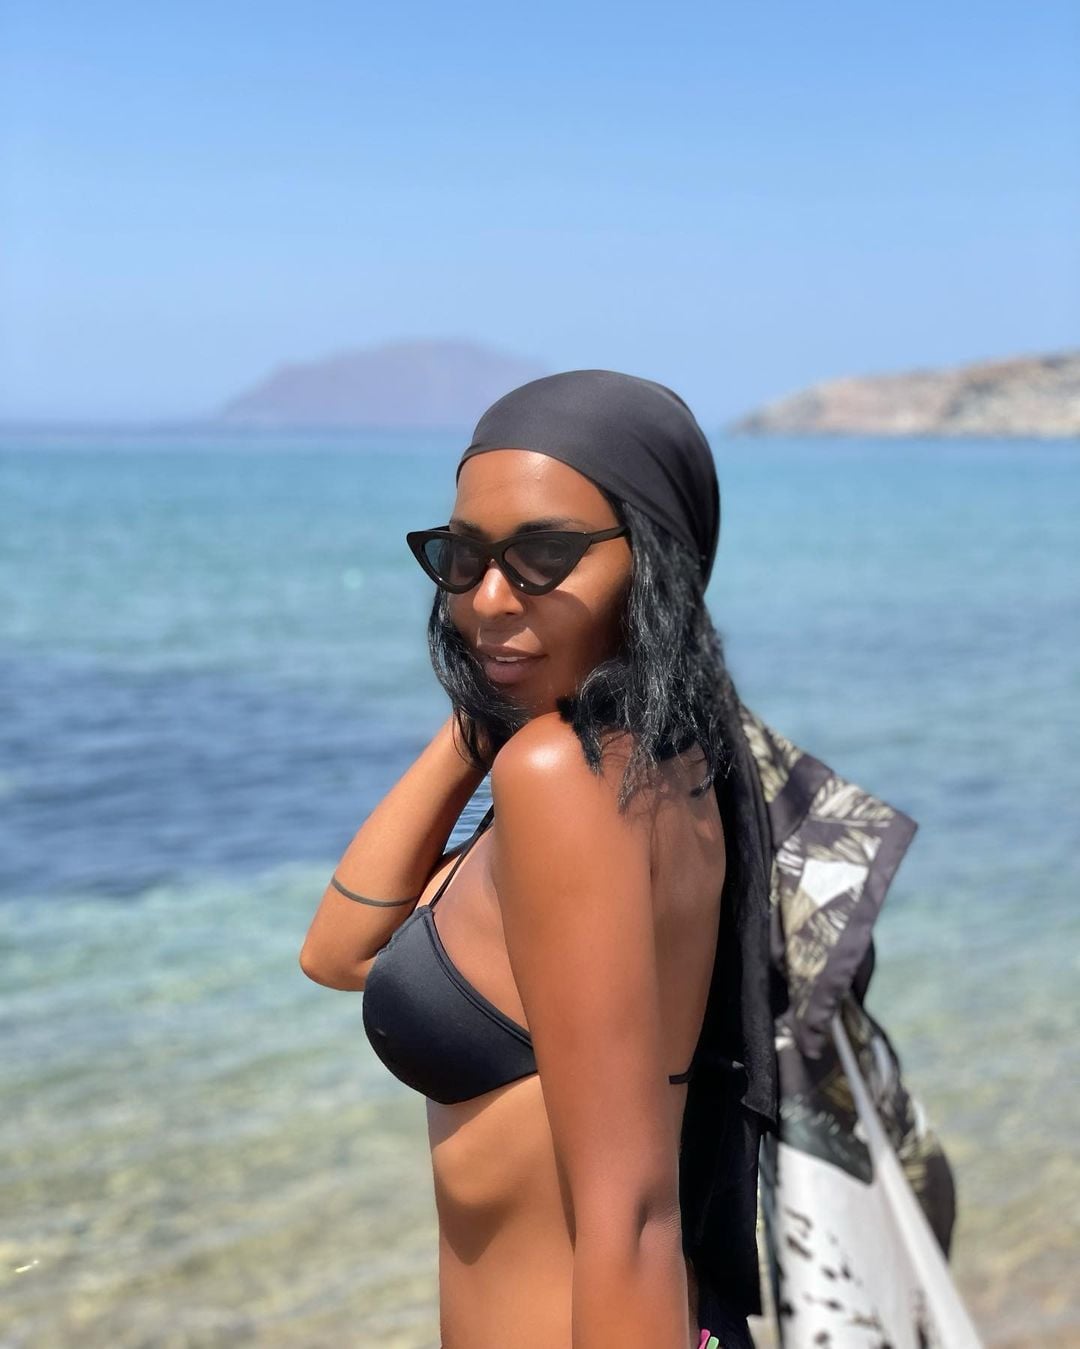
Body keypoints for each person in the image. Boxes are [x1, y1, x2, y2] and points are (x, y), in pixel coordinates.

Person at [299, 370, 778, 1349]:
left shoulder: (565, 777)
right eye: (462, 557)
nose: (487, 600)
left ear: (653, 558)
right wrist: (483, 718)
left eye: (543, 556)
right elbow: (340, 952)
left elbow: (630, 1214)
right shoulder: (660, 760)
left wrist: (515, 727)